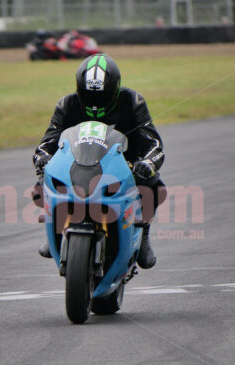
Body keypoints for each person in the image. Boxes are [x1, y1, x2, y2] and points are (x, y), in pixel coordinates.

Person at [32, 53, 166, 269]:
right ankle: (53, 228)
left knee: (155, 186)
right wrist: (43, 158)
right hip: (76, 163)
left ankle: (143, 237)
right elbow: (45, 143)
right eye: (88, 95)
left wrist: (148, 163)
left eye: (102, 96)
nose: (95, 103)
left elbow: (154, 143)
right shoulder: (67, 104)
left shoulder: (132, 102)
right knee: (41, 183)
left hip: (122, 165)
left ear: (115, 88)